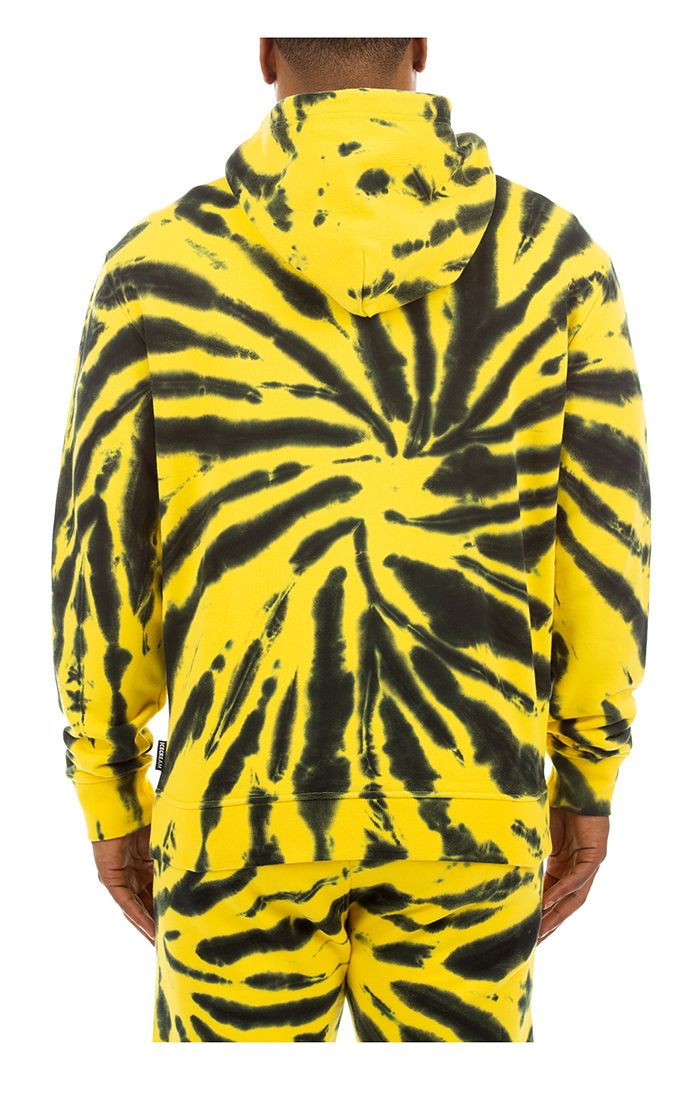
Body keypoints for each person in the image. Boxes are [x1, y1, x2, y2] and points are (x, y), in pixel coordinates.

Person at [50, 36, 651, 1043]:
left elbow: (100, 557)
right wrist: (588, 773)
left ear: (264, 52)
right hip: (471, 801)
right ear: (419, 43)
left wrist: (107, 788)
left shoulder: (155, 266)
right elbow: (605, 544)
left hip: (236, 807)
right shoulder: (557, 263)